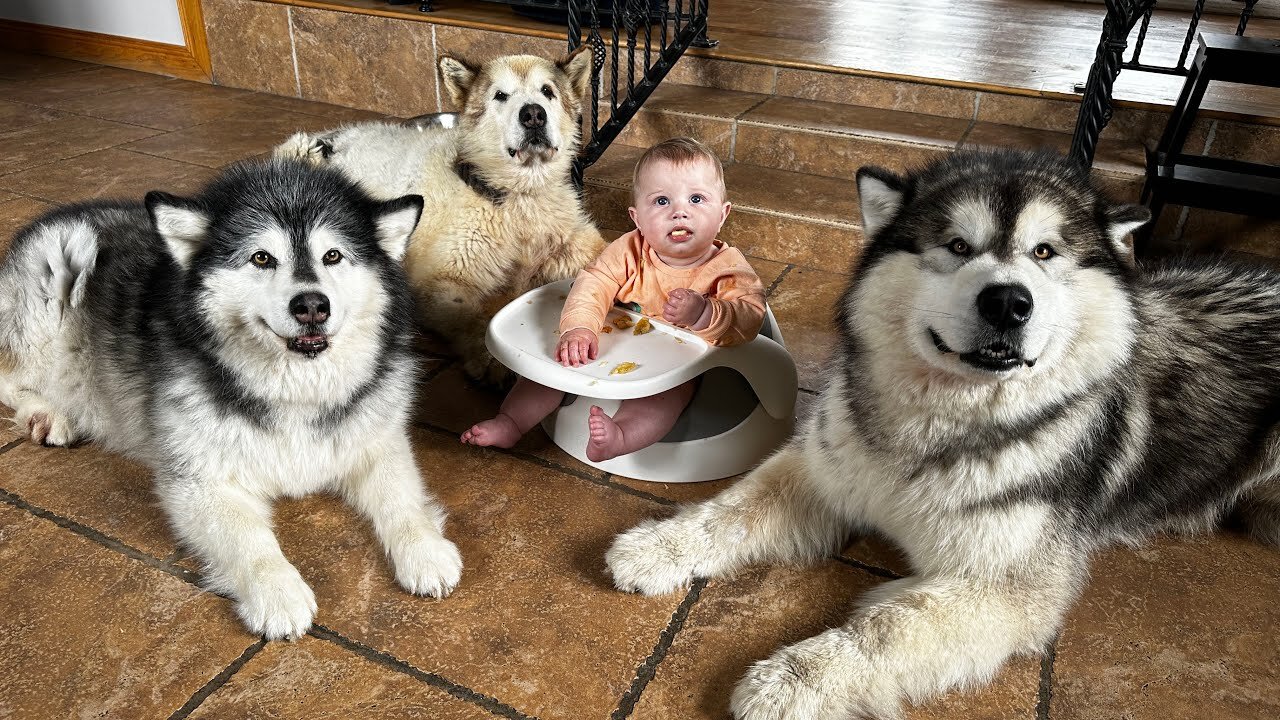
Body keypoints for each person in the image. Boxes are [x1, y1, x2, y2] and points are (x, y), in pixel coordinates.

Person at [461, 137, 766, 462]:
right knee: (556, 364)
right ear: (637, 218)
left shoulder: (728, 269)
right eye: (662, 201)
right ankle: (511, 422)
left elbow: (748, 316)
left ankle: (620, 436)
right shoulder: (628, 250)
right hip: (618, 339)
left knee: (664, 397)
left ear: (722, 214)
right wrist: (579, 328)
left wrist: (704, 313)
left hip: (679, 362)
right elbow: (594, 283)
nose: (680, 212)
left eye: (696, 199)